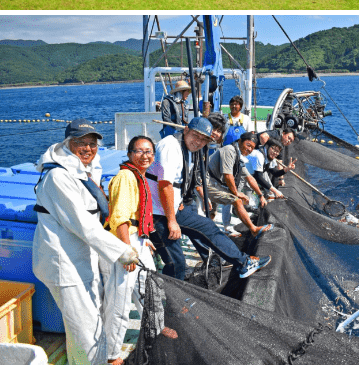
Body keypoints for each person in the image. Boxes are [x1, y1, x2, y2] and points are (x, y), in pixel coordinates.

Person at [32, 119, 139, 365]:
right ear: (67, 143)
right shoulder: (58, 177)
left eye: (92, 144)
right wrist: (122, 251)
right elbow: (84, 225)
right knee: (84, 329)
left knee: (88, 322)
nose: (88, 148)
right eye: (81, 143)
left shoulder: (83, 171)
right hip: (64, 264)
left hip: (81, 258)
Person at [147, 117, 271, 280]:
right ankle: (170, 302)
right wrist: (171, 220)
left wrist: (179, 203)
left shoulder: (189, 149)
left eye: (204, 140)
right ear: (186, 130)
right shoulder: (170, 146)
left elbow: (183, 181)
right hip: (159, 214)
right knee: (176, 263)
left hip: (172, 208)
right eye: (195, 136)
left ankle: (243, 262)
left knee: (207, 226)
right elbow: (164, 185)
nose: (198, 142)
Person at [101, 136, 157, 365]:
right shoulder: (126, 177)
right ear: (130, 154)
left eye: (149, 152)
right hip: (123, 242)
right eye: (140, 151)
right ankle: (112, 355)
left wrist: (144, 239)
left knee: (152, 290)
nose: (145, 156)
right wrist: (127, 250)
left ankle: (158, 332)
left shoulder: (140, 176)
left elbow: (137, 215)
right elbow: (120, 218)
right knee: (119, 303)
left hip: (138, 240)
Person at [208, 132, 274, 237]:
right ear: (240, 141)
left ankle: (210, 232)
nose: (250, 149)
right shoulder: (229, 150)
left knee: (213, 212)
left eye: (252, 148)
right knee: (236, 200)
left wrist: (260, 195)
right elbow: (228, 176)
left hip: (216, 183)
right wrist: (237, 193)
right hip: (206, 181)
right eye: (248, 145)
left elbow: (249, 178)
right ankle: (253, 229)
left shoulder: (239, 156)